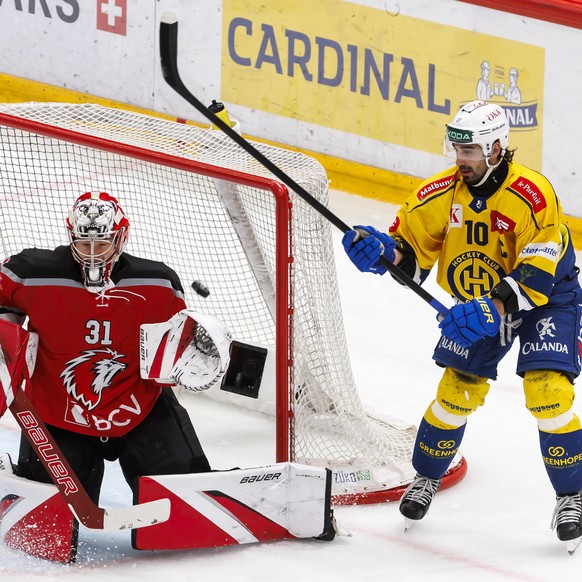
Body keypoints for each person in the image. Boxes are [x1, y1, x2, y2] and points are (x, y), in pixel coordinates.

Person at [342, 100, 582, 549]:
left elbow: (538, 271)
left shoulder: (533, 193)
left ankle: (572, 495)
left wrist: (494, 307)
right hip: (480, 303)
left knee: (549, 393)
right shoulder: (439, 193)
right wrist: (382, 252)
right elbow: (409, 256)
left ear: (495, 149)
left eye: (469, 151)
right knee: (455, 393)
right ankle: (426, 478)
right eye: (457, 150)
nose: (461, 161)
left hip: (548, 299)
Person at [0, 191, 229, 505]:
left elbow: (177, 341)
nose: (92, 252)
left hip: (141, 409)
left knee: (184, 508)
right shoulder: (30, 273)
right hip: (58, 413)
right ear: (71, 236)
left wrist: (194, 354)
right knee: (49, 527)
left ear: (120, 238)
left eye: (102, 243)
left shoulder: (158, 282)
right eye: (83, 243)